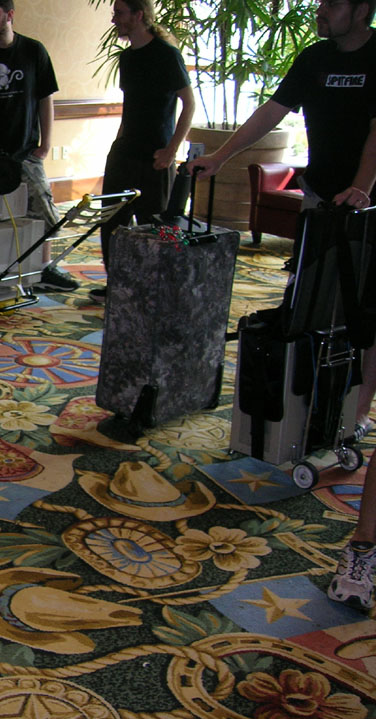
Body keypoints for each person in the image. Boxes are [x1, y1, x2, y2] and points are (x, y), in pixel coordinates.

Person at [191, 0, 376, 609]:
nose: (322, 9)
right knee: (309, 312)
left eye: (334, 2)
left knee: (363, 319)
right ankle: (313, 413)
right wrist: (221, 156)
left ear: (363, 8)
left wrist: (365, 186)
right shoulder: (314, 58)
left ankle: (356, 414)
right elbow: (272, 110)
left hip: (369, 206)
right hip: (322, 199)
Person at [0, 0, 79, 293]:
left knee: (46, 215)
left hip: (24, 152)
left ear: (9, 15)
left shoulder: (33, 52)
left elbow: (46, 99)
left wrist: (46, 143)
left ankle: (44, 268)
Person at [90, 0, 195, 304]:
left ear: (139, 15)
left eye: (119, 13)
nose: (114, 20)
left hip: (156, 156)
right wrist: (117, 145)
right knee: (112, 223)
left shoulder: (167, 55)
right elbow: (130, 109)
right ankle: (118, 286)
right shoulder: (127, 58)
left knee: (155, 227)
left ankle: (156, 291)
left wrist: (172, 150)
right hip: (125, 152)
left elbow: (189, 104)